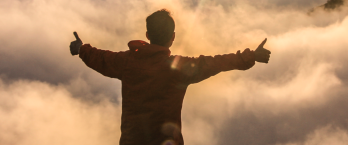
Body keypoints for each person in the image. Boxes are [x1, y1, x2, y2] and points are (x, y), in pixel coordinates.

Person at [70, 9, 271, 145]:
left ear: (147, 35)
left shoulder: (127, 62)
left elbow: (100, 58)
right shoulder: (178, 69)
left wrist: (80, 48)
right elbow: (214, 62)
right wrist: (251, 56)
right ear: (173, 37)